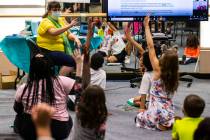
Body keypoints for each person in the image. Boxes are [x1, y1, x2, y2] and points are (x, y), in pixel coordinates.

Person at [13, 49, 83, 140]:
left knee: (19, 117)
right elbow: (80, 90)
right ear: (51, 68)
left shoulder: (23, 88)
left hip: (30, 129)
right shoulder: (61, 81)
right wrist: (79, 65)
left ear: (31, 69)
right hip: (59, 129)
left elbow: (17, 109)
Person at [135, 16, 179, 130]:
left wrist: (146, 26)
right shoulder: (175, 75)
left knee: (138, 118)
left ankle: (159, 123)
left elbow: (150, 47)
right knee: (166, 114)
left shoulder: (158, 70)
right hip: (168, 110)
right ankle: (167, 122)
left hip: (155, 112)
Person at [37, 1, 82, 76]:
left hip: (59, 51)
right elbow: (54, 32)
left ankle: (59, 79)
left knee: (79, 58)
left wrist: (75, 38)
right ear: (49, 11)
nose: (57, 12)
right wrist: (69, 25)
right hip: (48, 52)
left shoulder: (60, 20)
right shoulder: (45, 21)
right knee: (74, 62)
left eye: (58, 9)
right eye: (54, 10)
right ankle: (59, 81)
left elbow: (68, 34)